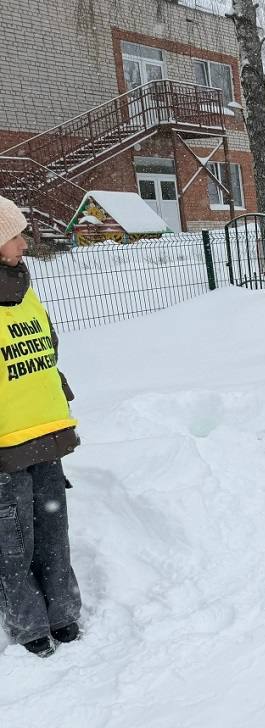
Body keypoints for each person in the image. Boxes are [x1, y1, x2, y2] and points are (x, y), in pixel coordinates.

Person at [0, 195, 82, 658]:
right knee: (14, 545)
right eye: (15, 235)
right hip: (5, 446)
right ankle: (30, 627)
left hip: (44, 434)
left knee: (52, 534)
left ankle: (63, 617)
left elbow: (47, 350)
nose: (25, 243)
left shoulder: (25, 290)